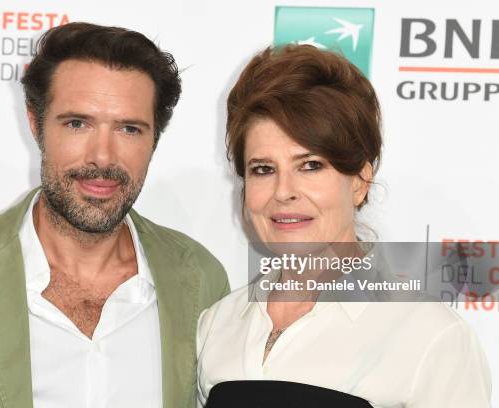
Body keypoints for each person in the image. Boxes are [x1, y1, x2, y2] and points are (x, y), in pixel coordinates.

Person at [0, 22, 229, 408]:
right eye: (77, 124)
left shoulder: (200, 281)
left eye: (129, 129)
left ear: (154, 139)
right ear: (35, 124)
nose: (102, 156)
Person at [196, 45, 491, 407]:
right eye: (263, 169)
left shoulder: (430, 335)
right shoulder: (218, 324)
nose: (283, 192)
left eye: (311, 165)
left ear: (359, 181)